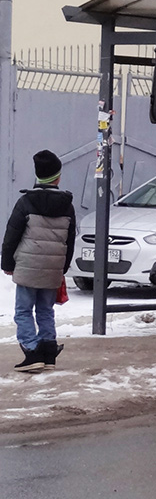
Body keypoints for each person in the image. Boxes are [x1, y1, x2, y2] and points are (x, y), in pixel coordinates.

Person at [2, 149, 76, 373]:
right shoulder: (67, 206)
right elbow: (69, 241)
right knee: (45, 310)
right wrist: (62, 267)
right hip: (52, 268)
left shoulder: (25, 203)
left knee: (23, 311)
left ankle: (33, 352)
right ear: (57, 177)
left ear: (37, 175)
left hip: (27, 266)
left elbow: (11, 235)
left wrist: (7, 264)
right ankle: (48, 353)